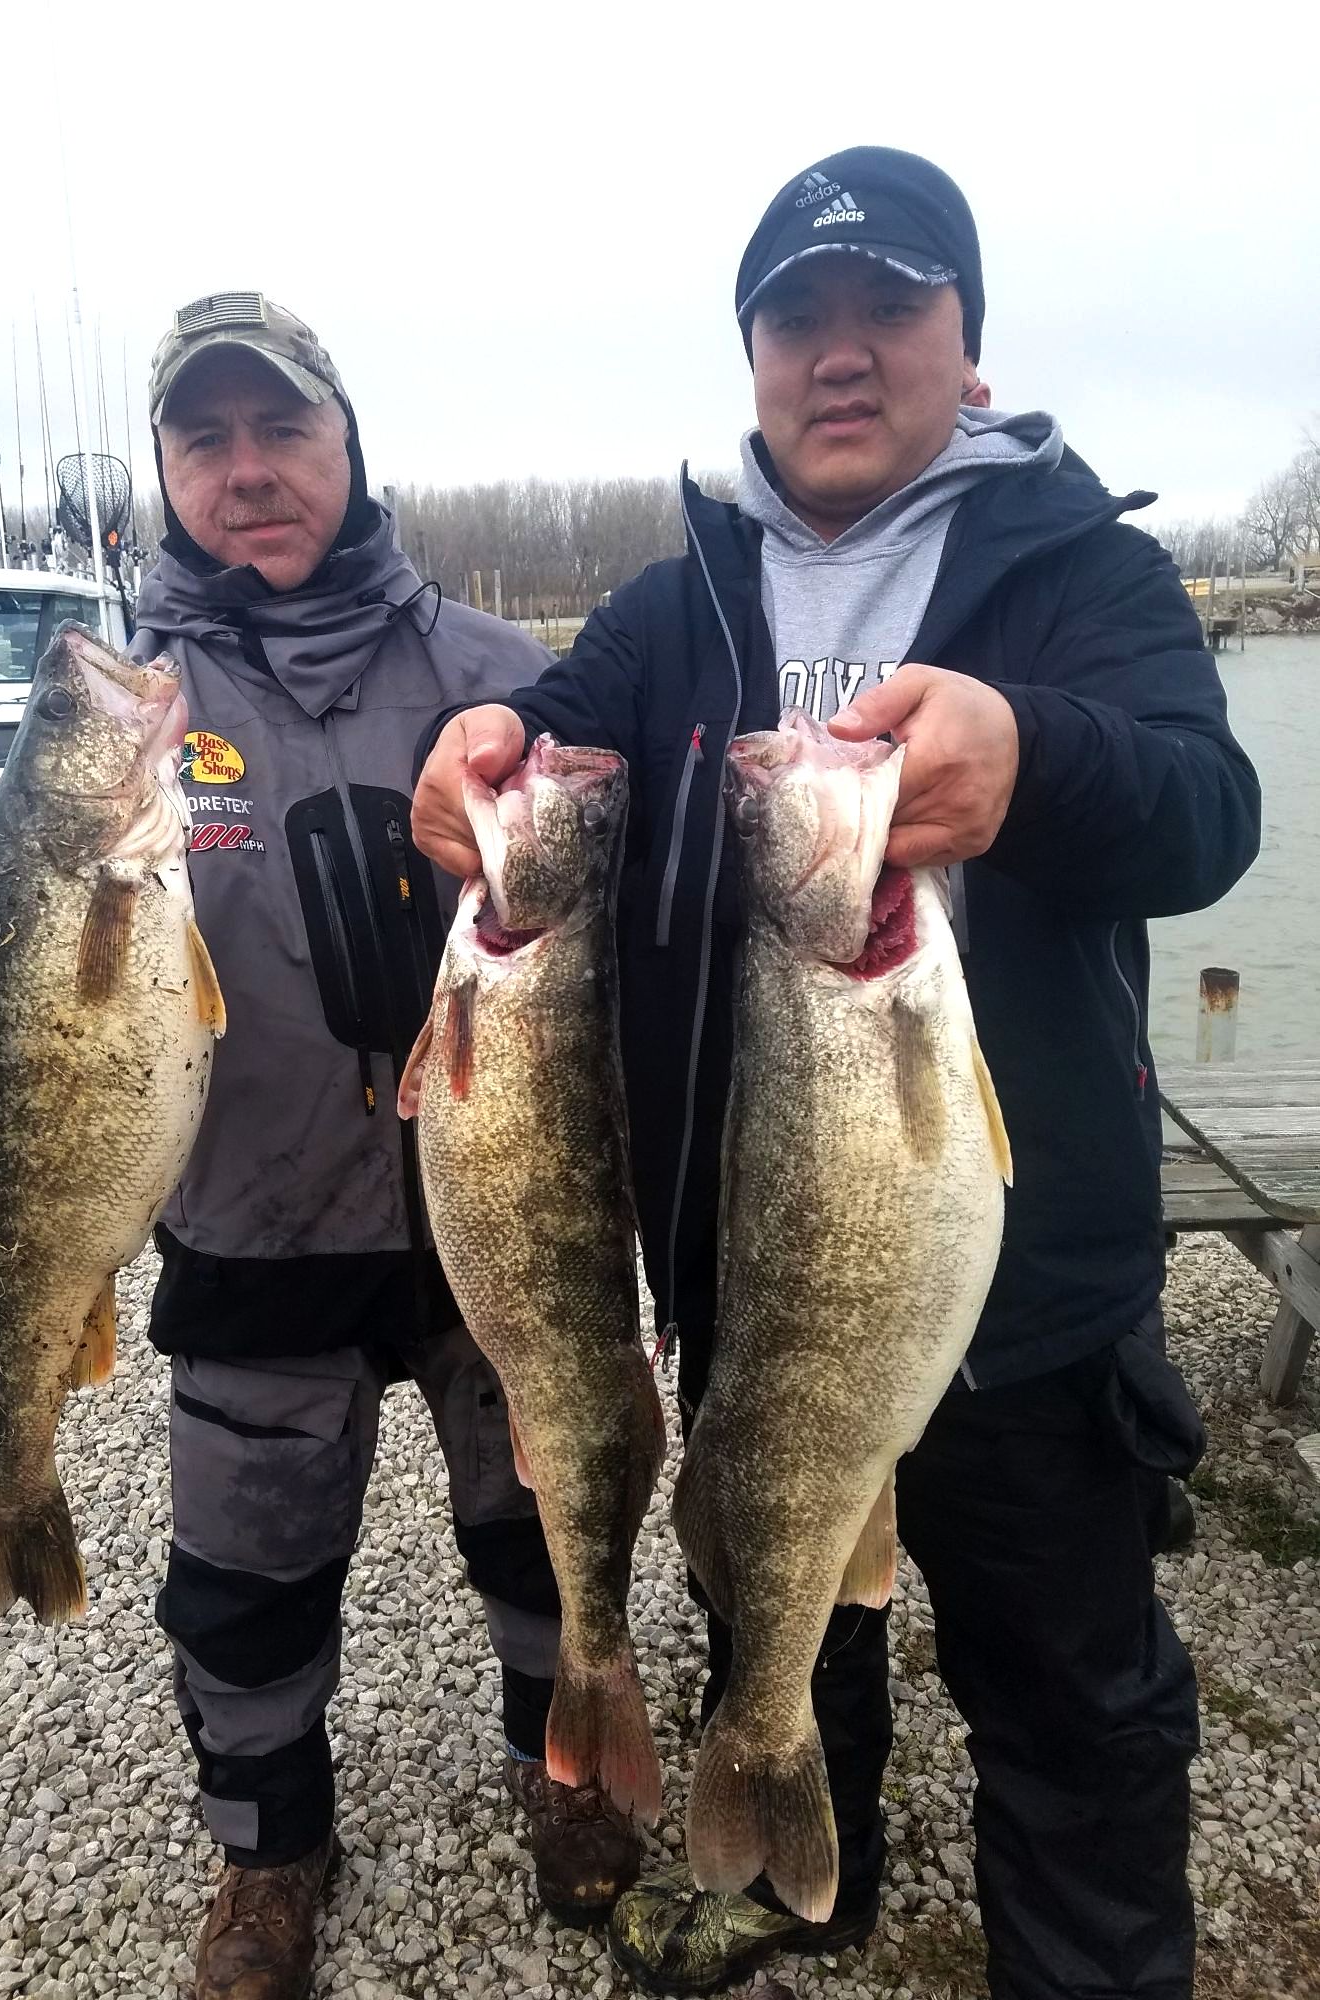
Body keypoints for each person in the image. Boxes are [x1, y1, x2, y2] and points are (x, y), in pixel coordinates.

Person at [413, 150, 1261, 1999]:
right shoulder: (674, 600)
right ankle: (806, 1854)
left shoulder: (1083, 568)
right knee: (783, 1601)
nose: (844, 354)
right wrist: (466, 759)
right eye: (802, 318)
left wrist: (1034, 757)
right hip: (749, 1262)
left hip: (1028, 1295)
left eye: (893, 309)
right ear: (753, 357)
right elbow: (539, 750)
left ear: (971, 345)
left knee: (1074, 1701)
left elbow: (1209, 811)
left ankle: (1094, 1966)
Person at [132, 293, 640, 2000]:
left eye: (282, 431)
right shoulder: (127, 717)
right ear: (167, 473)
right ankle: (270, 1852)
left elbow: (624, 937)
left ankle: (561, 1759)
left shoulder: (501, 678)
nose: (247, 472)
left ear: (352, 453)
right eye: (205, 441)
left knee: (540, 1513)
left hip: (492, 1215)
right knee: (245, 1566)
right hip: (250, 1217)